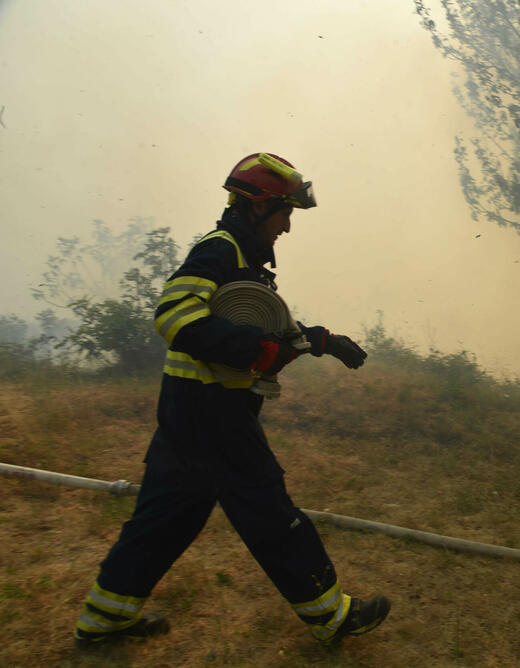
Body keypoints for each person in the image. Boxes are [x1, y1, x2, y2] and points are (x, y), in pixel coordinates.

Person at [73, 152, 390, 648]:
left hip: (189, 412)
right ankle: (331, 615)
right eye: (285, 213)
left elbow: (261, 328)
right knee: (269, 510)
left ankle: (103, 619)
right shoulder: (220, 250)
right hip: (213, 413)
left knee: (163, 520)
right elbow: (174, 315)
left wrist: (321, 340)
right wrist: (258, 352)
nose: (288, 226)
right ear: (259, 206)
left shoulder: (242, 256)